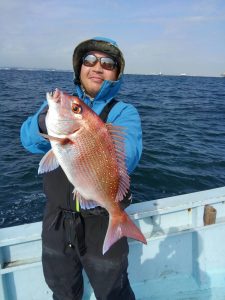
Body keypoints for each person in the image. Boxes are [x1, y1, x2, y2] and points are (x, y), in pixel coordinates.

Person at [20, 37, 142, 300]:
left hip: (101, 219)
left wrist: (96, 141)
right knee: (62, 290)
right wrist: (42, 123)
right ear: (79, 67)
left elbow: (129, 156)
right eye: (90, 60)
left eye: (107, 63)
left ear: (116, 73)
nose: (97, 67)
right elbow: (27, 141)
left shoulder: (124, 112)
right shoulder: (60, 106)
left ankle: (118, 222)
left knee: (114, 291)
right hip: (56, 222)